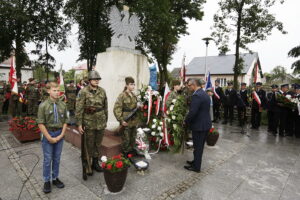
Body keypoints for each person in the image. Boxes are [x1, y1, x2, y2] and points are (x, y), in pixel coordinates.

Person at [37, 82, 68, 193]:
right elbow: (40, 123)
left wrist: (61, 135)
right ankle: (46, 180)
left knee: (57, 158)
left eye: (58, 90)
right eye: (54, 90)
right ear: (48, 91)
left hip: (59, 133)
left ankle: (55, 178)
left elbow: (65, 121)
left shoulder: (63, 104)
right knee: (47, 159)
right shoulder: (43, 106)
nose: (56, 92)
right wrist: (49, 137)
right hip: (48, 134)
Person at [76, 70, 108, 179]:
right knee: (89, 144)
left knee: (97, 144)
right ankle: (87, 165)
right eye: (95, 79)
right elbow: (79, 108)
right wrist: (79, 124)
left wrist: (105, 120)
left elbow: (105, 106)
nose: (97, 81)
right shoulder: (83, 92)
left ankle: (95, 163)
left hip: (100, 121)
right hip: (89, 122)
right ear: (89, 80)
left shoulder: (102, 91)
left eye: (98, 79)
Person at [184, 79, 212, 173]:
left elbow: (193, 112)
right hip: (204, 124)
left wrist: (186, 121)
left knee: (198, 147)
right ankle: (195, 162)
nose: (188, 87)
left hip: (199, 126)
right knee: (198, 146)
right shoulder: (204, 94)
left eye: (189, 85)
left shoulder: (197, 95)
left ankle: (196, 167)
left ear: (194, 85)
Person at [114, 77, 140, 156]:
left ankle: (131, 151)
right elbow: (116, 109)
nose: (133, 86)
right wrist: (121, 120)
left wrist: (139, 106)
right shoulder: (122, 95)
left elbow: (135, 107)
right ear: (126, 85)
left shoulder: (134, 95)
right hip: (126, 120)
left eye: (134, 84)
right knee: (126, 139)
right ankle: (125, 154)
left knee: (133, 137)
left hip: (134, 121)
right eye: (131, 84)